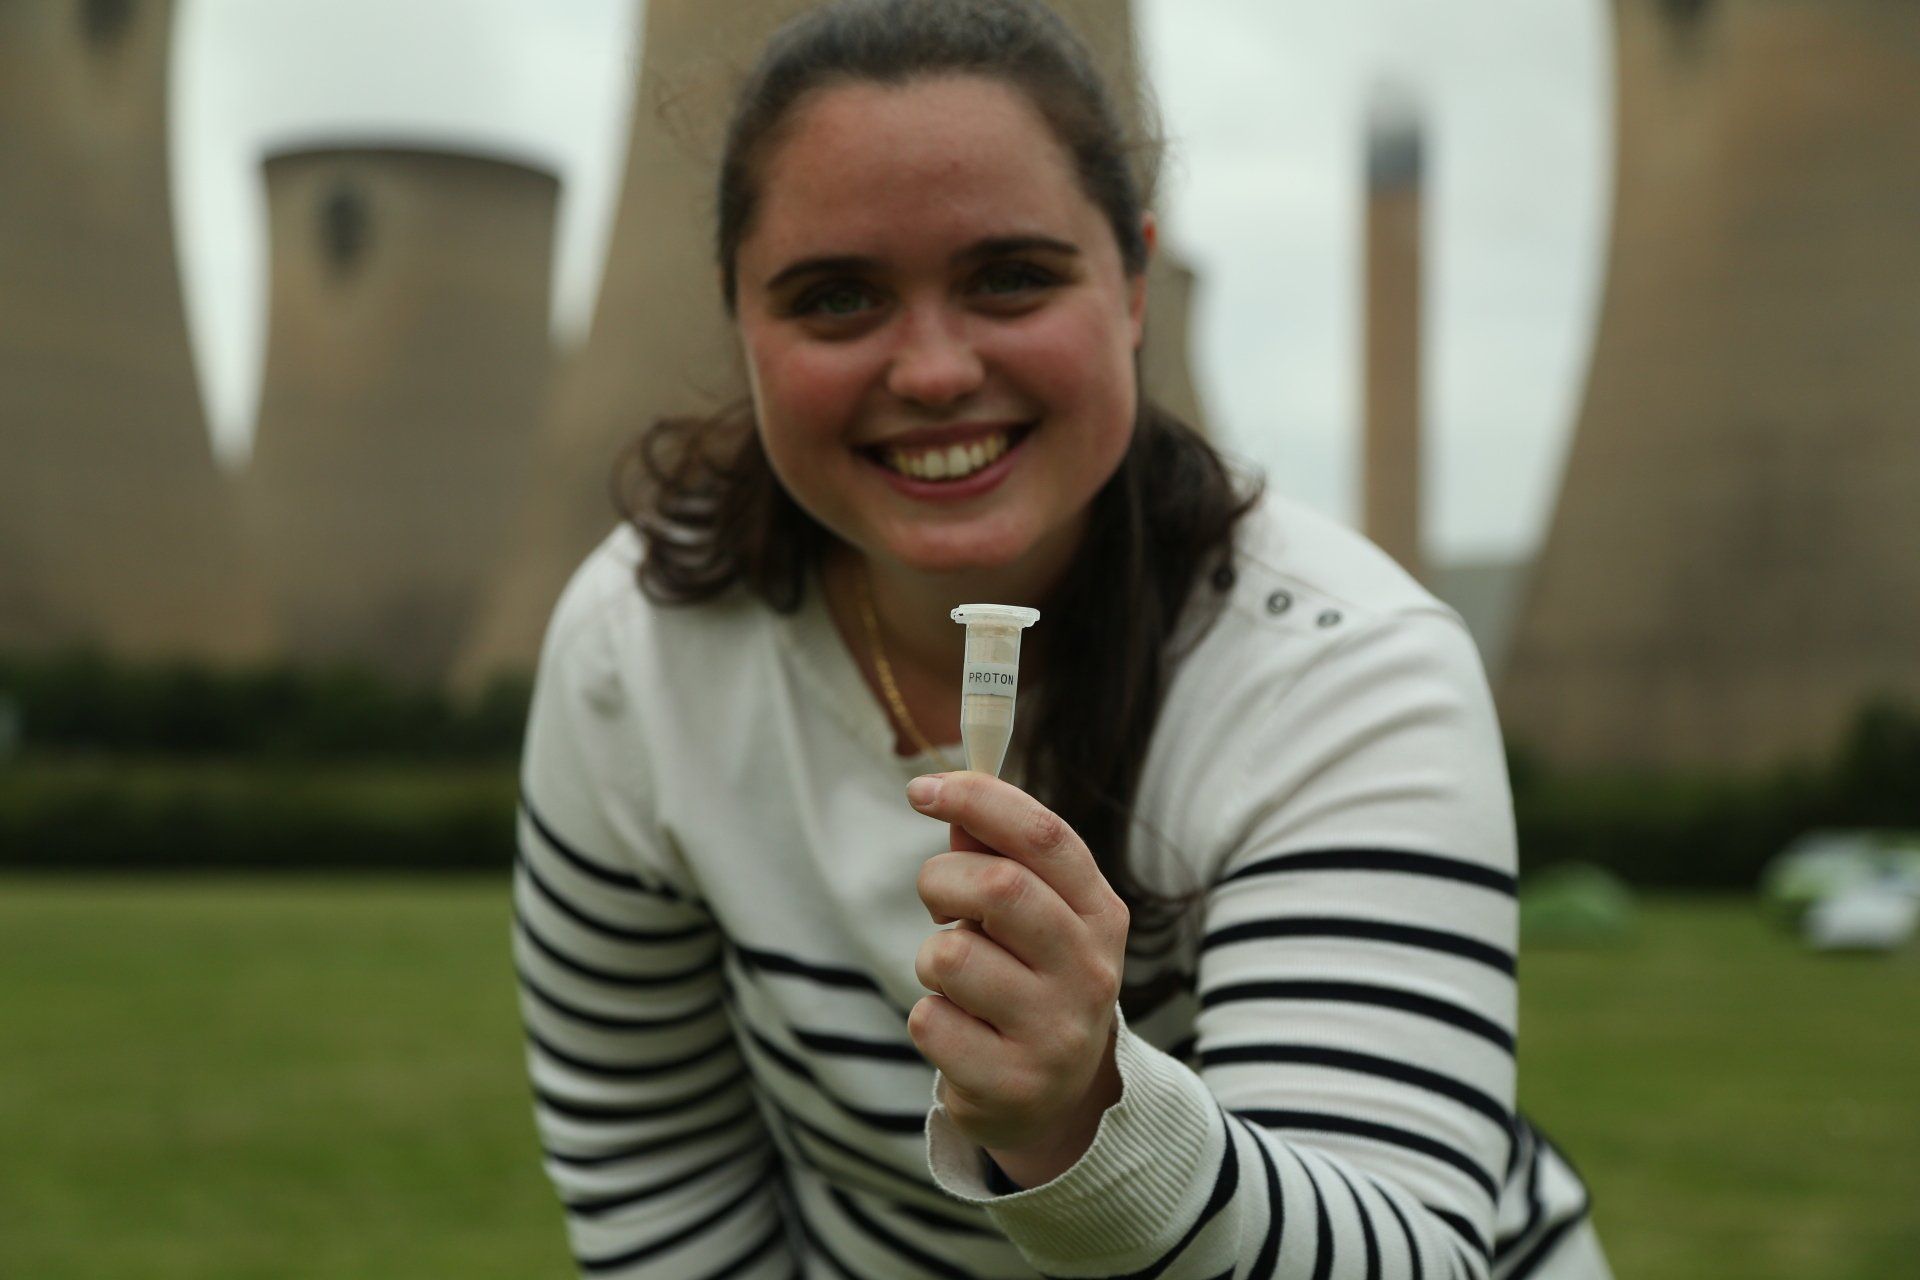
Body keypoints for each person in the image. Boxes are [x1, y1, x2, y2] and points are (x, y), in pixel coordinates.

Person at [511, 1, 1613, 1276]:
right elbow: (652, 1167)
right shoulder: (632, 652)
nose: (931, 369)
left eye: (1011, 277)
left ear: (1136, 283)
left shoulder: (1344, 671)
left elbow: (1407, 1250)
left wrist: (1092, 1121)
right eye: (837, 297)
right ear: (739, 319)